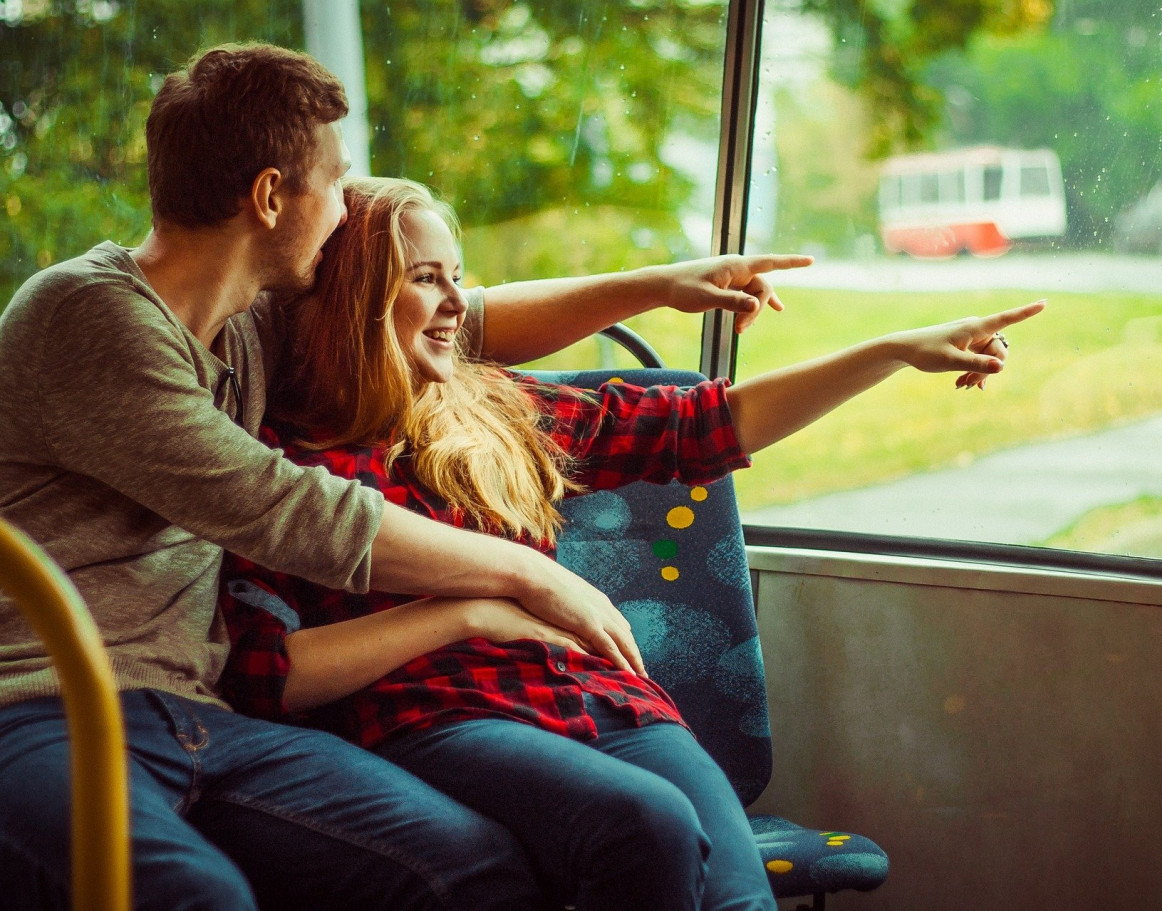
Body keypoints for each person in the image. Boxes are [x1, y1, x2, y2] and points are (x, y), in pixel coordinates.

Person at [0, 42, 811, 910]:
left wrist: (660, 284)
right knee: (196, 894)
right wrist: (527, 573)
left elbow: (459, 315)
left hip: (205, 716)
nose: (349, 210)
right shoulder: (88, 315)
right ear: (272, 198)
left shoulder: (241, 325)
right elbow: (287, 510)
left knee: (467, 865)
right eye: (337, 183)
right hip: (47, 709)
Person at [217, 176, 1046, 910]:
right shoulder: (283, 459)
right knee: (650, 824)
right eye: (425, 279)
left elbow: (714, 422)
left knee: (733, 889)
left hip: (606, 699)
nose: (459, 305)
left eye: (459, 279)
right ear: (358, 295)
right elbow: (266, 673)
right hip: (440, 715)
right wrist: (468, 612)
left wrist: (893, 351)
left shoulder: (494, 407)